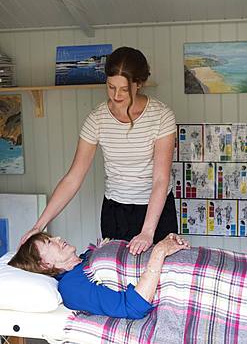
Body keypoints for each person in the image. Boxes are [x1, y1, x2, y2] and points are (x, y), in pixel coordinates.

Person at [20, 46, 177, 255]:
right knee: (115, 279)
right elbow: (73, 178)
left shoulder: (161, 116)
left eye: (124, 89)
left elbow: (160, 179)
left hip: (157, 210)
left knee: (159, 277)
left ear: (139, 84)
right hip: (116, 211)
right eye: (111, 87)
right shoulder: (97, 119)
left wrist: (148, 232)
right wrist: (39, 225)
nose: (116, 95)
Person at [9, 232, 190, 319]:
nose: (57, 238)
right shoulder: (73, 287)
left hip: (184, 261)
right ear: (45, 264)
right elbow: (132, 307)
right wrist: (159, 251)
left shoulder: (86, 258)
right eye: (49, 242)